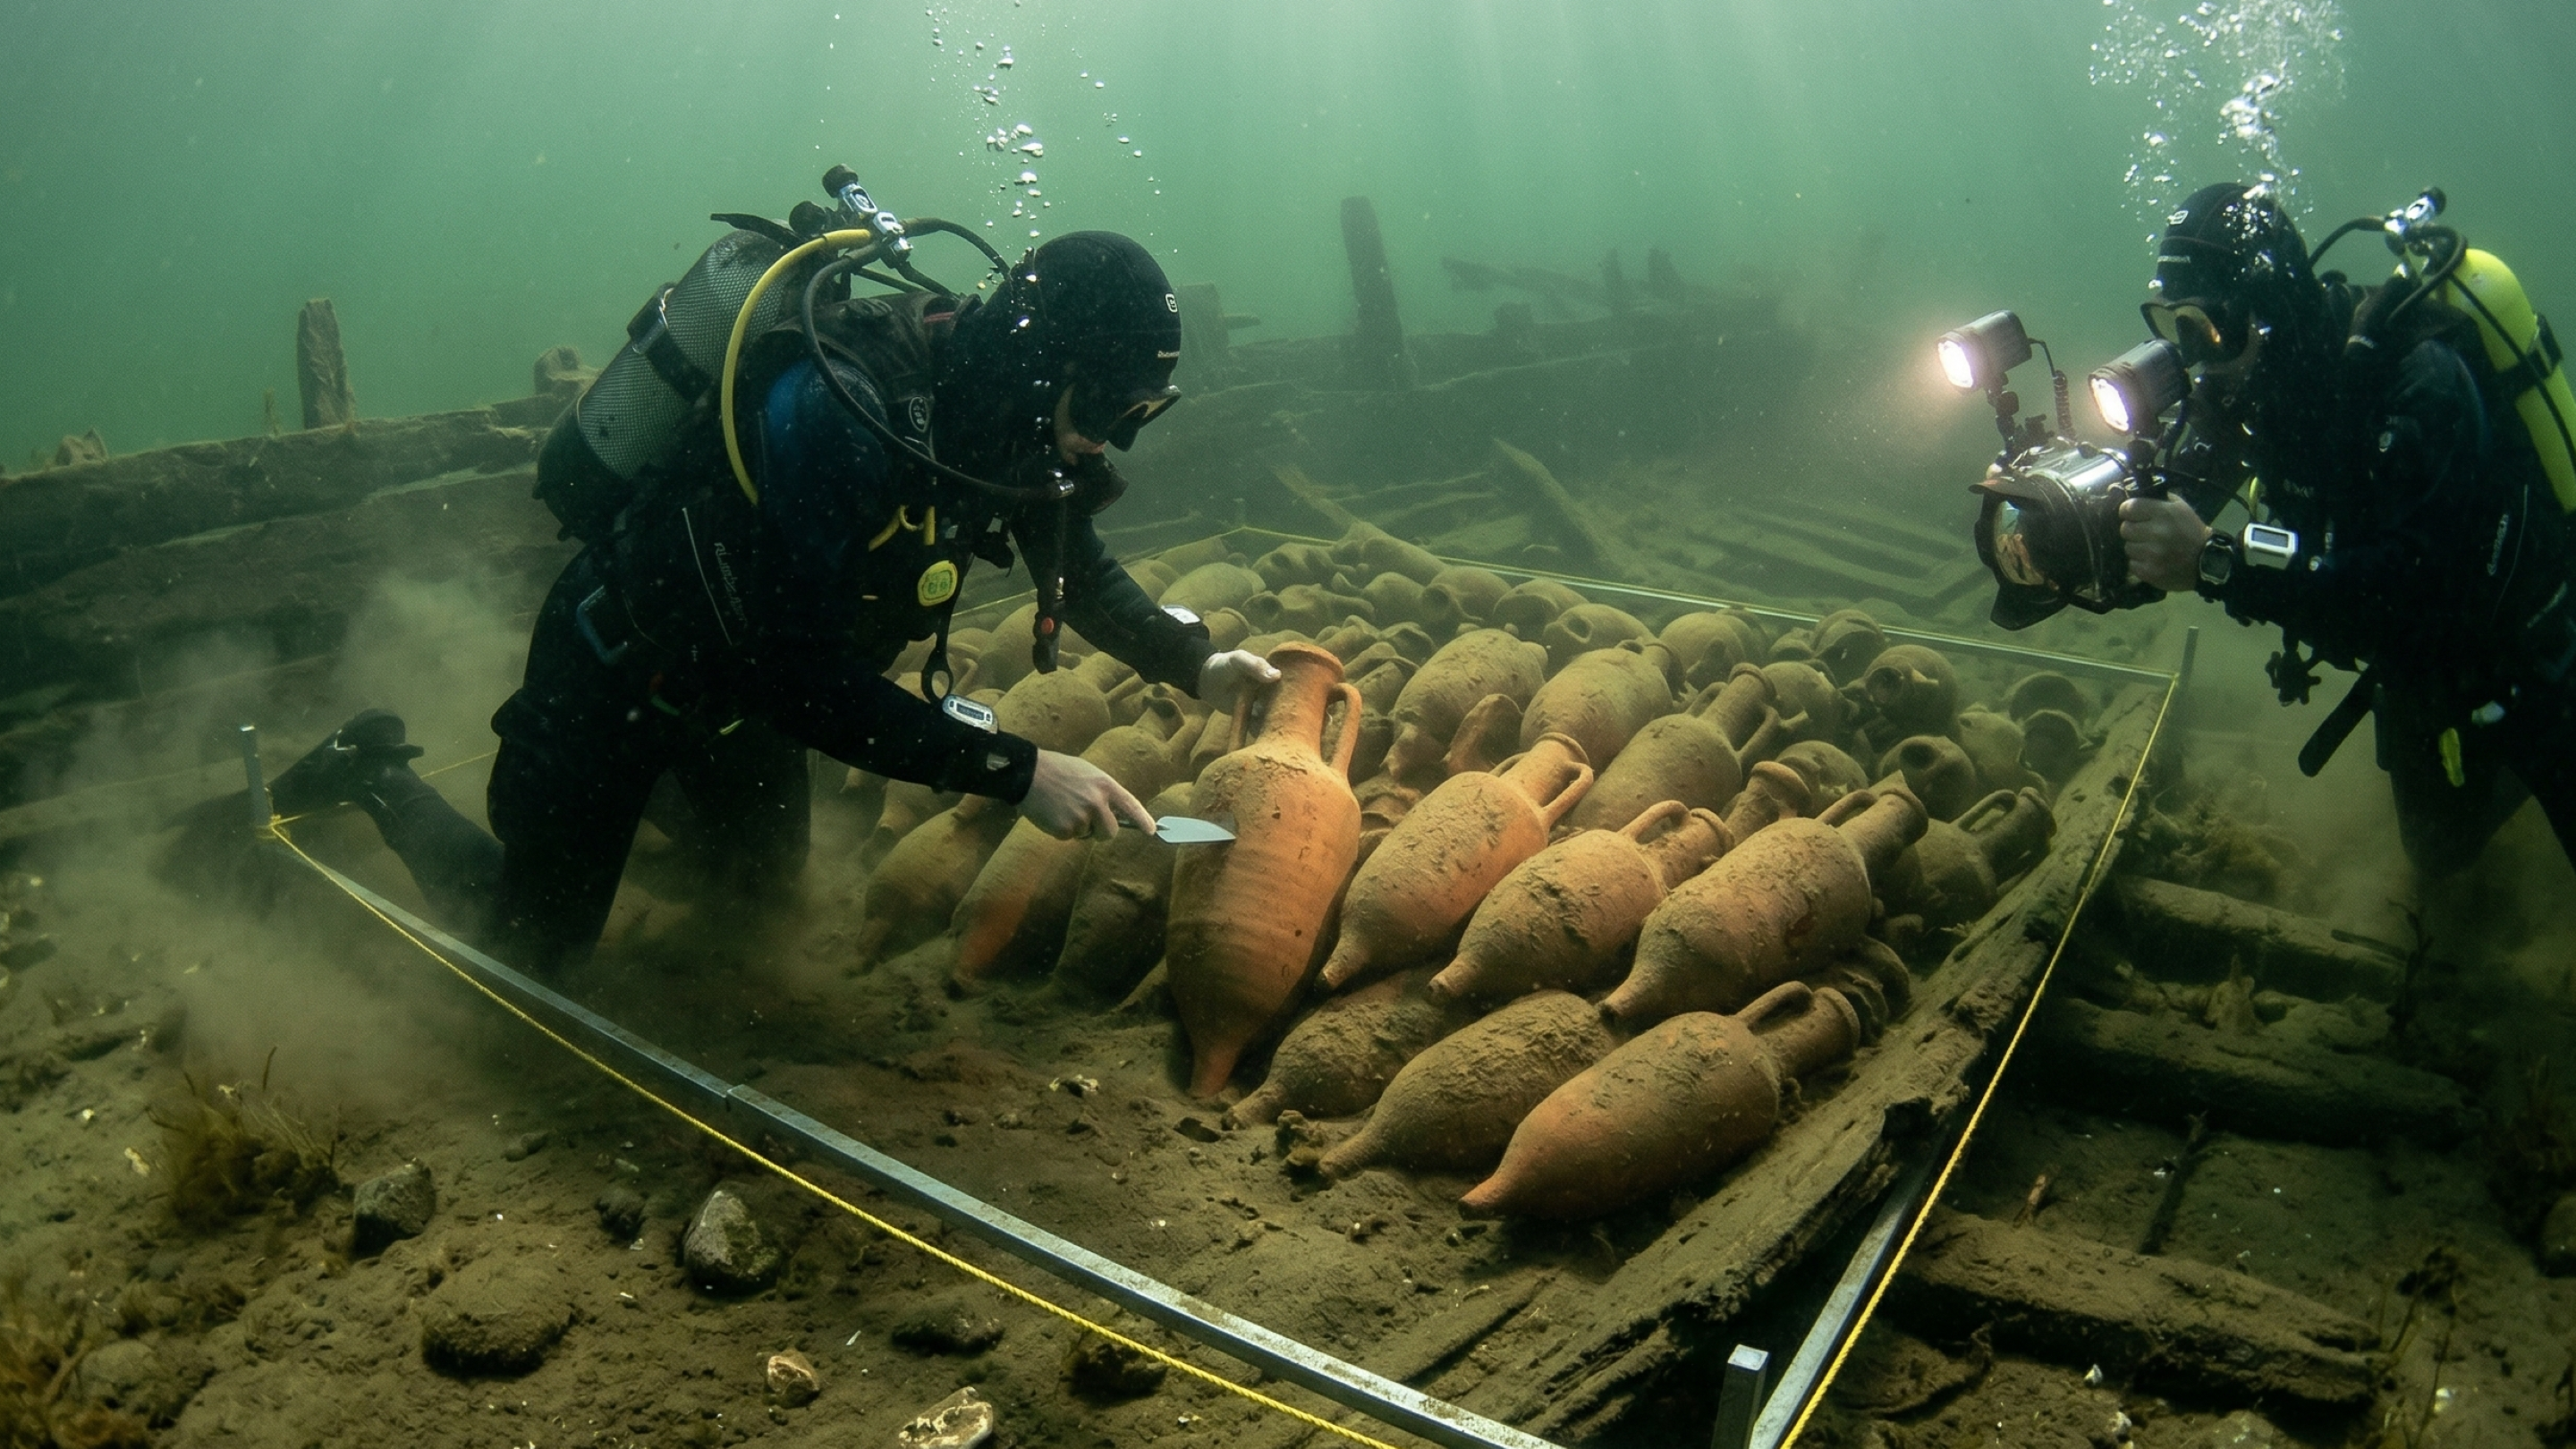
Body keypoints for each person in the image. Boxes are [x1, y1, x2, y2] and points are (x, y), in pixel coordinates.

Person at [267, 230, 1278, 970]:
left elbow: (1078, 564)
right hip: (621, 678)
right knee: (534, 946)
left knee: (754, 906)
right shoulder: (842, 416)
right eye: (1106, 407)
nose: (1110, 441)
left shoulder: (1005, 427)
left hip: (738, 709)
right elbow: (796, 674)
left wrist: (1193, 661)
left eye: (1141, 415)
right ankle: (374, 771)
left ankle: (632, 818)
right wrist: (1015, 771)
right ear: (1042, 361)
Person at [2114, 182, 2576, 872]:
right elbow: (2178, 503)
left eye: (2211, 325)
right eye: (2174, 323)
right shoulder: (2254, 386)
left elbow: (2410, 594)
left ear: (2269, 309)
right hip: (2423, 679)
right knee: (2438, 856)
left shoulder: (2411, 380)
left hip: (2535, 659)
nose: (2196, 356)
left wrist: (2216, 565)